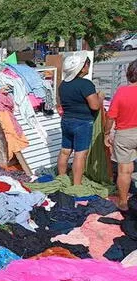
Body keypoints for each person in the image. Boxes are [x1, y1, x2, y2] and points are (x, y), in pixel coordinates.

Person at [57, 55, 103, 185]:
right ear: (81, 68)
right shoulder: (86, 84)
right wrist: (100, 97)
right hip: (82, 123)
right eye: (87, 64)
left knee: (65, 151)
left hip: (66, 121)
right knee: (80, 154)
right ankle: (76, 185)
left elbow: (62, 104)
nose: (88, 66)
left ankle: (61, 178)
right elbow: (95, 106)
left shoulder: (63, 85)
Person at [105, 59, 137, 211]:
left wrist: (106, 133)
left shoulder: (122, 91)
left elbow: (111, 116)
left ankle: (123, 203)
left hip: (125, 134)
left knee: (125, 170)